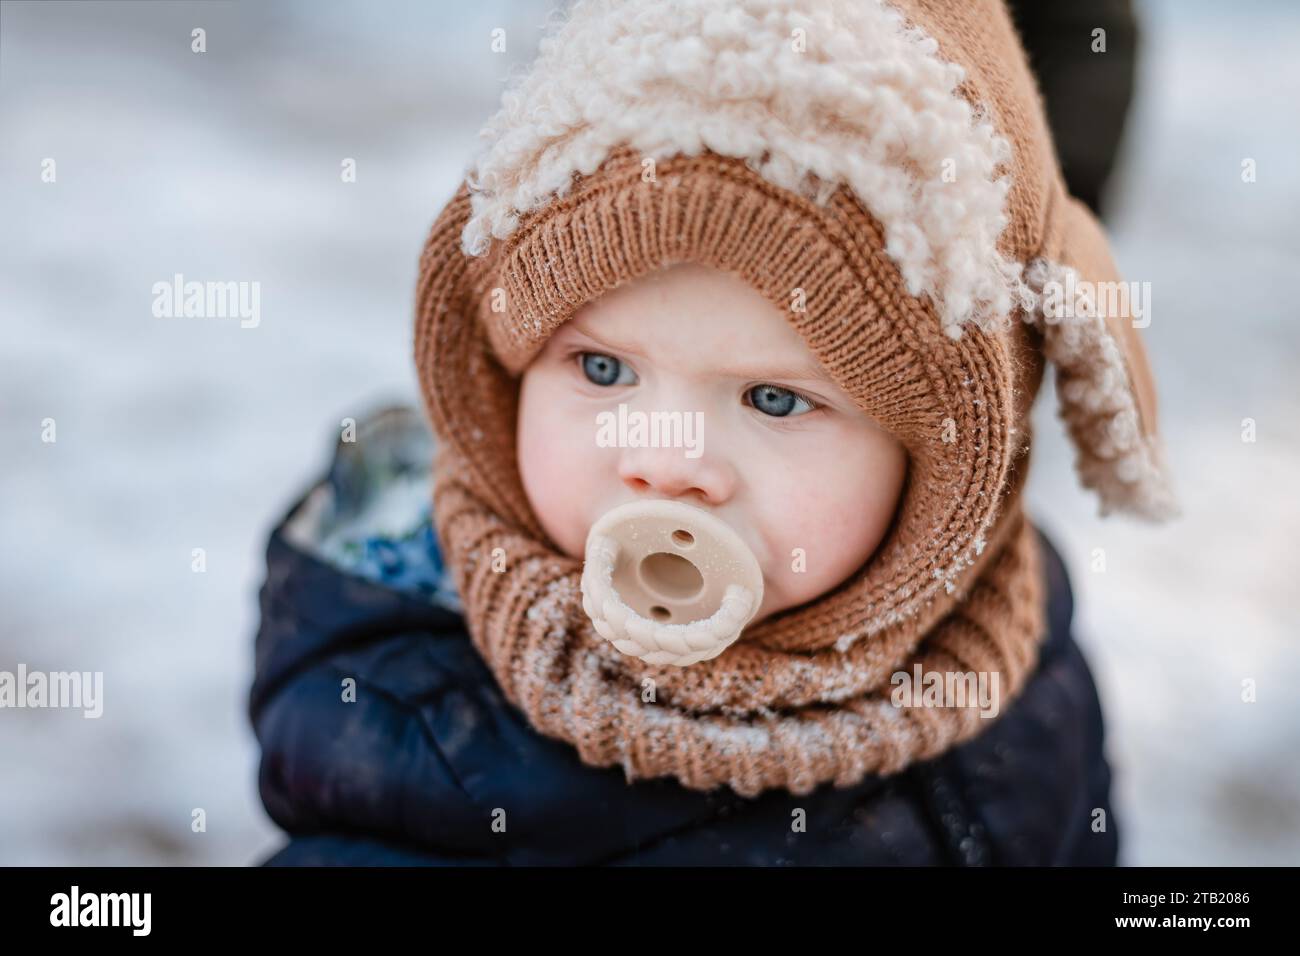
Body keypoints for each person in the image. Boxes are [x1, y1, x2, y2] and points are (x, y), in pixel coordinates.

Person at [249, 0, 1174, 865]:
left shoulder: (1016, 661)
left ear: (944, 473)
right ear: (500, 377)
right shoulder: (402, 735)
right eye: (603, 369)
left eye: (775, 400)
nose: (667, 463)